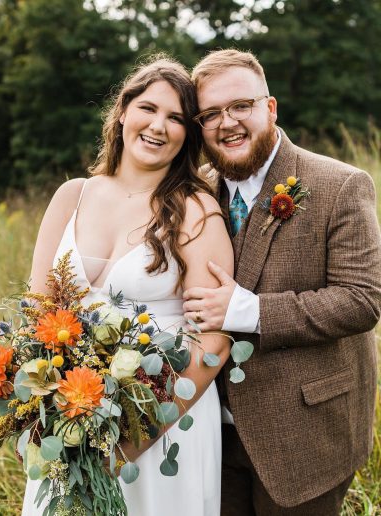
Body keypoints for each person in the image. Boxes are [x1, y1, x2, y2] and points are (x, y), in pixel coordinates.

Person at [21, 56, 233, 516]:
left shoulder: (196, 210)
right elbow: (37, 314)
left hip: (165, 425)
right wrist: (39, 415)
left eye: (176, 118)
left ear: (187, 135)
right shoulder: (71, 196)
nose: (159, 126)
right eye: (148, 108)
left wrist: (135, 438)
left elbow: (213, 340)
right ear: (122, 112)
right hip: (73, 422)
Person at [183, 49, 381, 515]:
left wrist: (248, 311)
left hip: (302, 439)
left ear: (270, 108)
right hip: (209, 434)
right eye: (210, 113)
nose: (226, 123)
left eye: (240, 106)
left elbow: (362, 300)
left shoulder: (341, 184)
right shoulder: (193, 193)